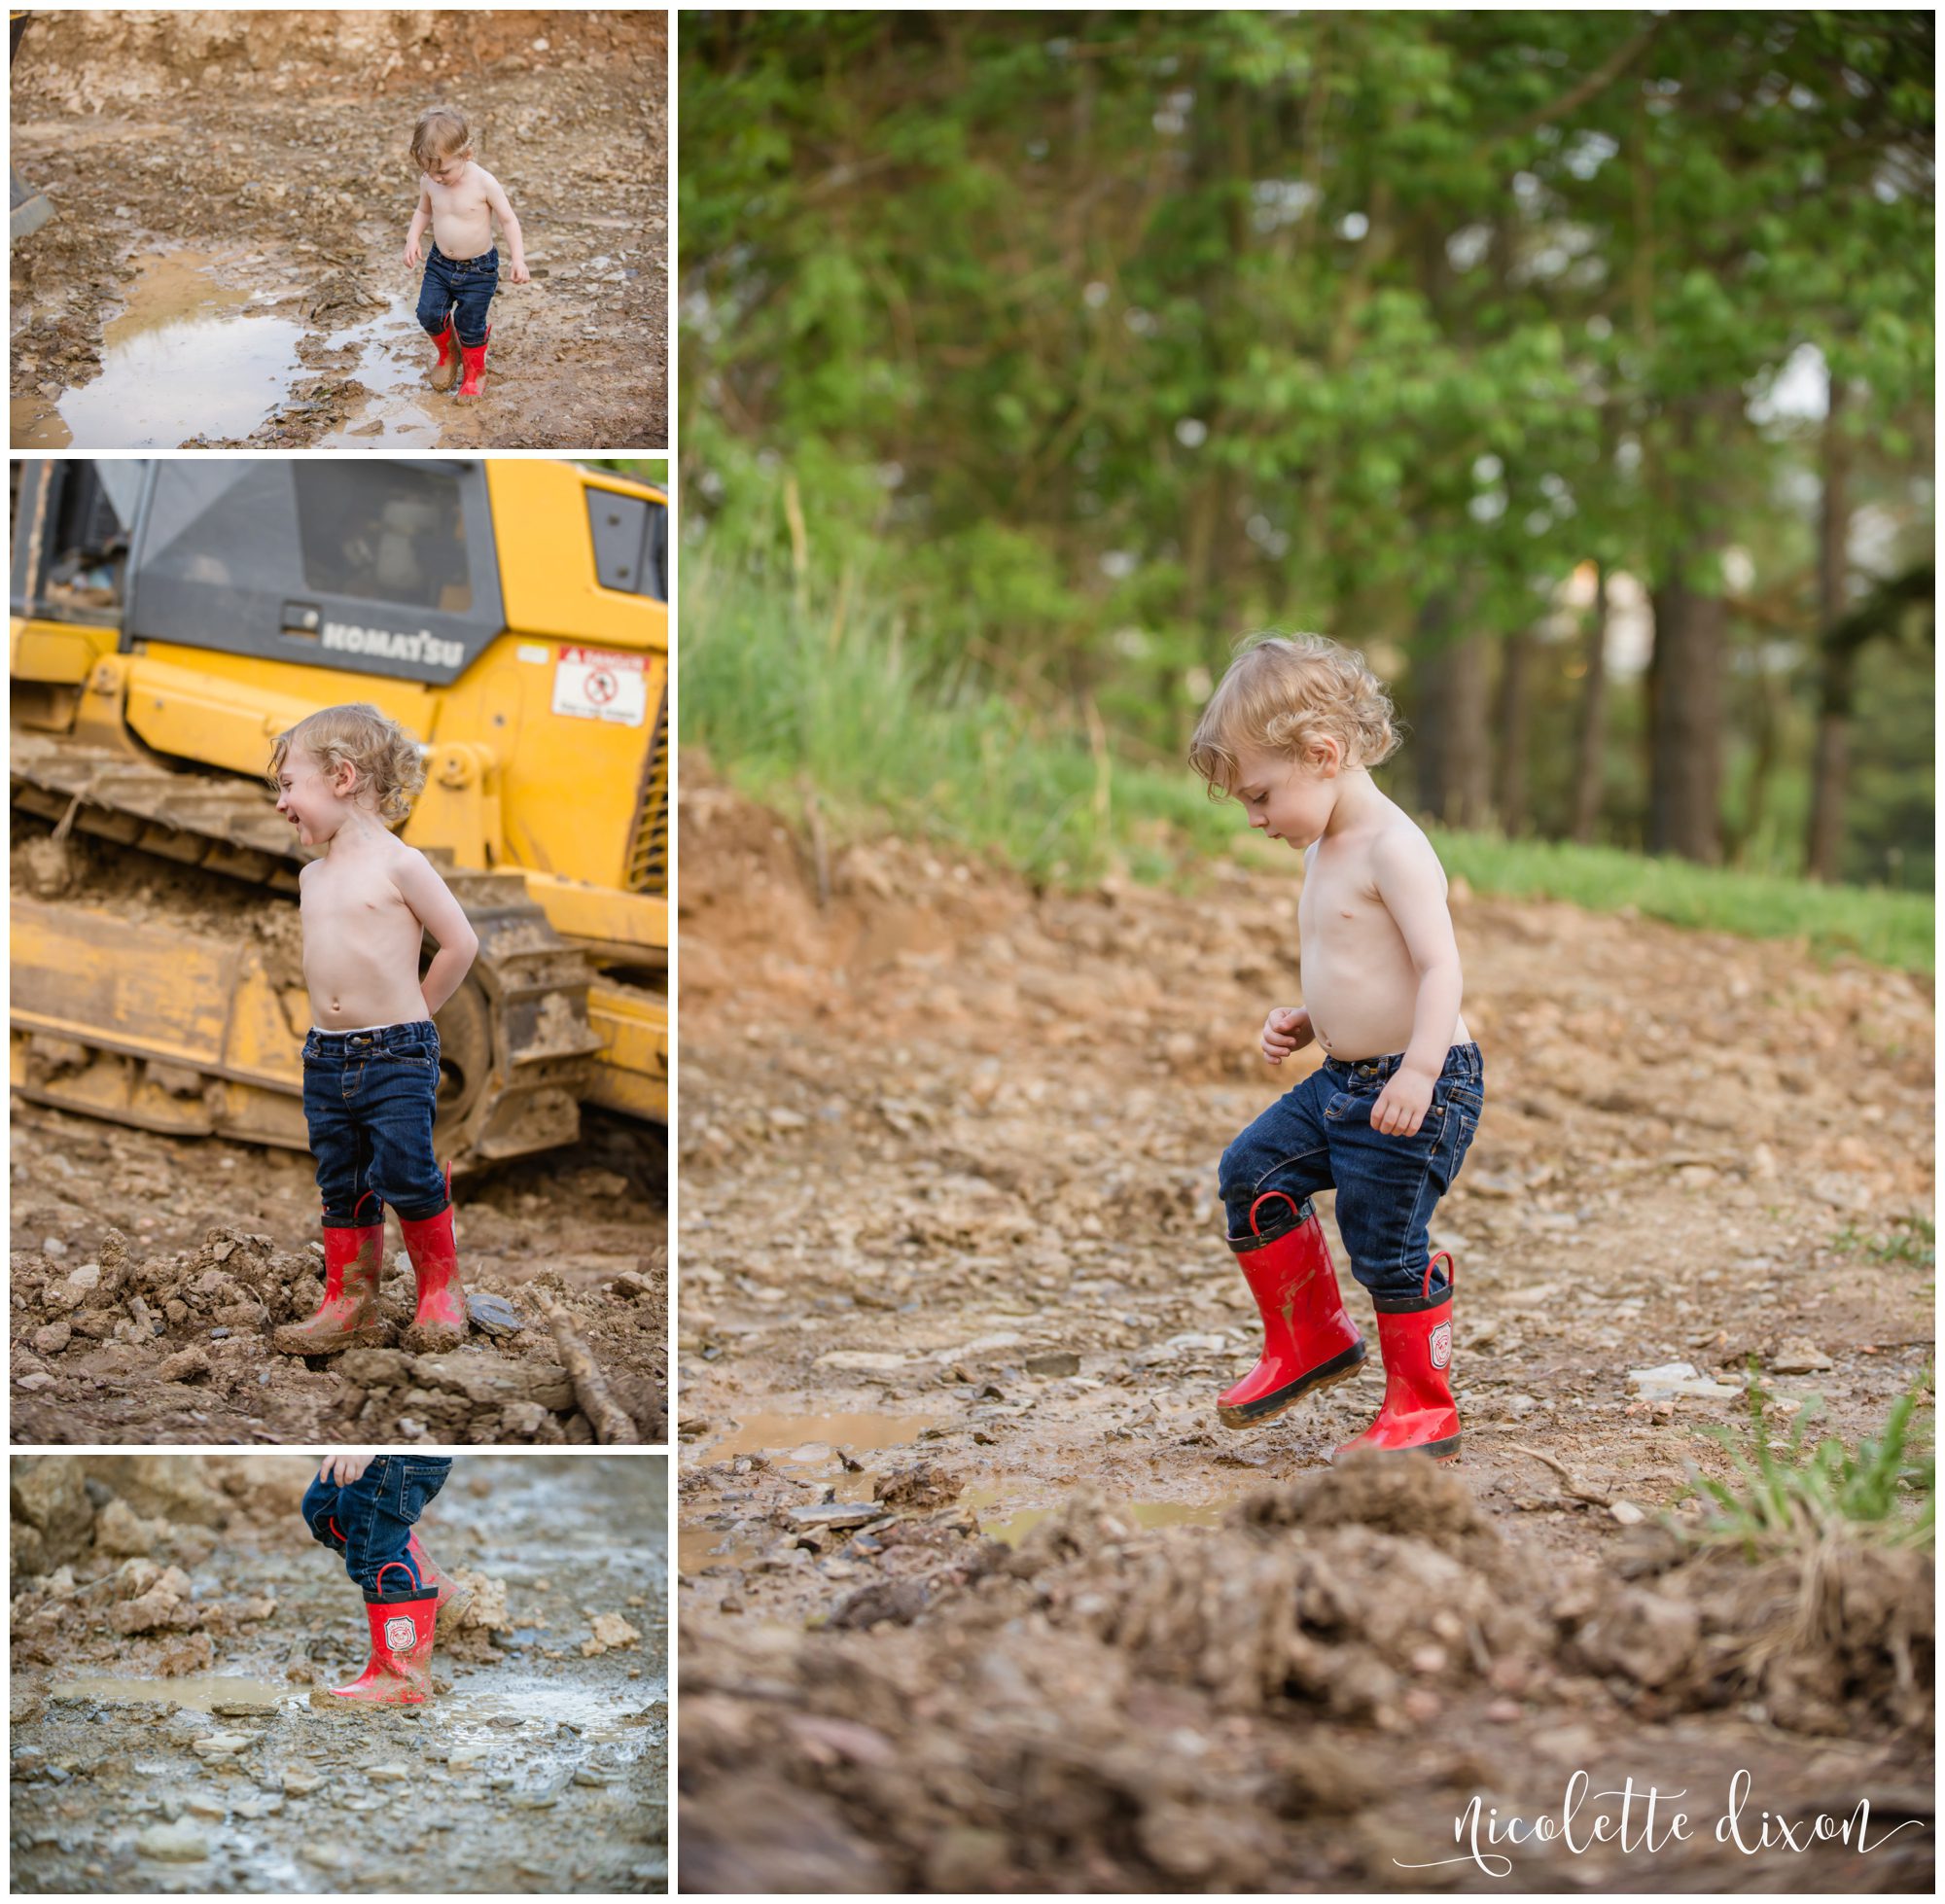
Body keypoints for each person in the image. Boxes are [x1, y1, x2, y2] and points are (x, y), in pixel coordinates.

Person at [1188, 635, 1485, 1461]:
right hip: (1341, 1078)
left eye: (1259, 796)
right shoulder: (1322, 843)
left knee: (1383, 1241)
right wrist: (1310, 1018)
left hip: (1418, 1083)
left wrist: (1422, 1072)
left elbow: (1438, 966)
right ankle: (1310, 1338)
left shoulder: (1394, 846)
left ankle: (1425, 1408)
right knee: (1252, 1172)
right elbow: (1359, 963)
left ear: (1323, 755)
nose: (1254, 819)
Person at [265, 704, 479, 1358]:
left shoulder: (401, 865)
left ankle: (440, 1295)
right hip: (325, 1056)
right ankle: (349, 1302)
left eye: (288, 785)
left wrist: (416, 1010)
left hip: (396, 1052)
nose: (281, 804)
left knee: (406, 1170)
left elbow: (459, 943)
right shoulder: (312, 875)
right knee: (342, 1179)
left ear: (342, 777)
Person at [301, 1452, 472, 1706]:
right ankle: (438, 1598)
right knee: (325, 1512)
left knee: (376, 1560)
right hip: (384, 1459)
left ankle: (402, 1679)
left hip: (392, 1460)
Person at [402, 105, 530, 401]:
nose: (436, 178)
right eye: (428, 170)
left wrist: (518, 259)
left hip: (479, 270)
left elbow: (508, 219)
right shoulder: (430, 180)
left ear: (466, 154)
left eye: (443, 171)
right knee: (428, 313)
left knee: (469, 324)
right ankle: (448, 355)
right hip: (439, 264)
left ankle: (475, 373)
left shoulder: (484, 182)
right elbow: (423, 210)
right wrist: (412, 238)